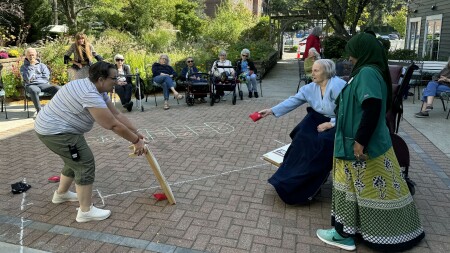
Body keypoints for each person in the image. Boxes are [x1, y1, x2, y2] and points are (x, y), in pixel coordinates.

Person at [316, 32, 425, 251]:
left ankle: (344, 234)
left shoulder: (366, 73)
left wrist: (360, 141)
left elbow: (372, 108)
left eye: (352, 54)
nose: (349, 59)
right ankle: (357, 231)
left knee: (353, 188)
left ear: (362, 53)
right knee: (364, 191)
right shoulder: (368, 71)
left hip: (360, 147)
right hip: (360, 144)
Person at [34, 61, 147, 223]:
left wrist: (136, 133)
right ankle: (85, 211)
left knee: (74, 159)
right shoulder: (90, 94)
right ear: (101, 79)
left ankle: (61, 194)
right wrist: (136, 141)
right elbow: (112, 124)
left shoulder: (96, 89)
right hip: (56, 131)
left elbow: (117, 115)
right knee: (84, 163)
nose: (117, 81)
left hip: (60, 128)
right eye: (113, 78)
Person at [258, 59, 346, 204]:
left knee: (322, 143)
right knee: (300, 138)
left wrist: (331, 124)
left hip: (340, 122)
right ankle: (286, 179)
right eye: (312, 70)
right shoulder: (310, 88)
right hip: (316, 118)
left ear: (327, 72)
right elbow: (293, 100)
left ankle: (311, 184)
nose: (312, 73)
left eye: (316, 70)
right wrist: (271, 110)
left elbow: (348, 111)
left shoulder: (338, 86)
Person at [20, 47, 60, 117]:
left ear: (36, 55)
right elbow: (27, 78)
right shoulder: (24, 67)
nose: (31, 57)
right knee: (34, 90)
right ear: (26, 56)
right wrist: (31, 66)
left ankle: (51, 109)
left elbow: (46, 77)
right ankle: (39, 111)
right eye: (29, 55)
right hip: (31, 85)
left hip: (43, 84)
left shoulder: (42, 65)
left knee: (57, 88)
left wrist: (36, 79)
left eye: (33, 55)